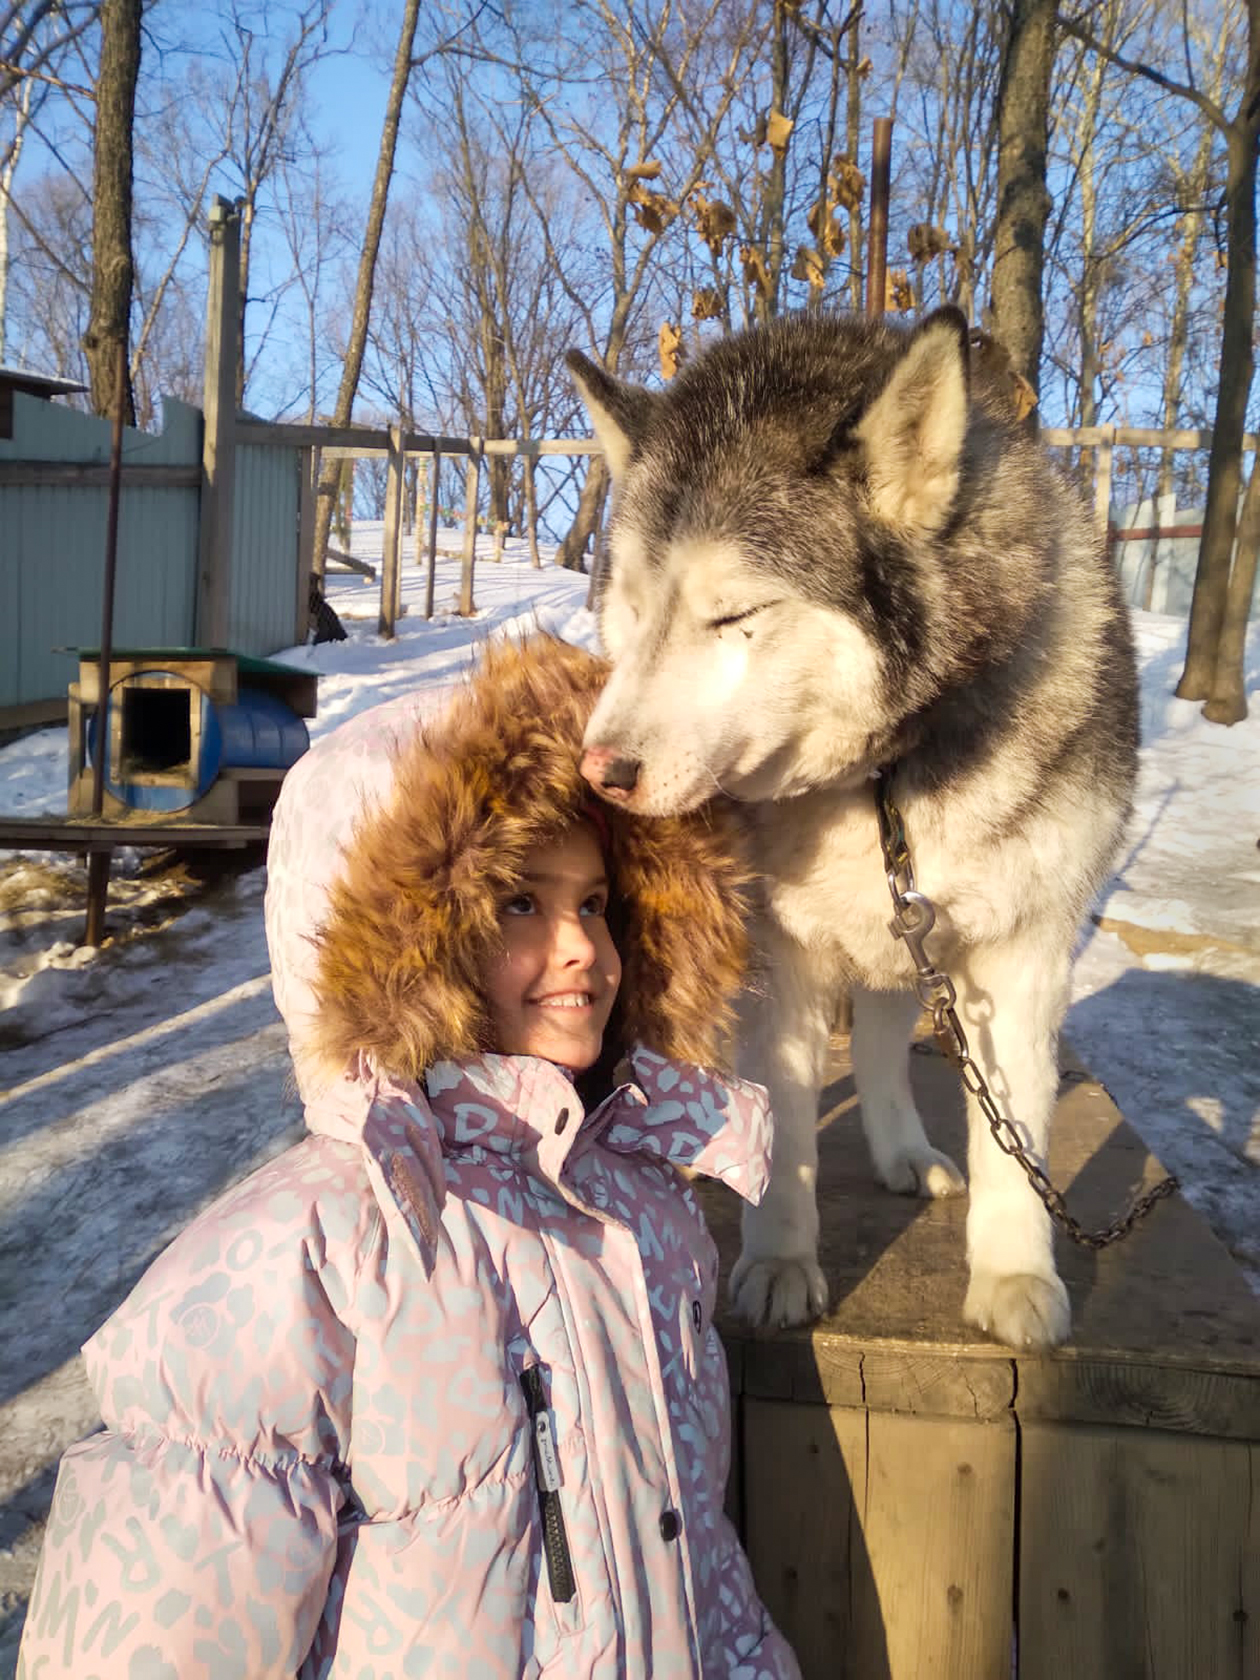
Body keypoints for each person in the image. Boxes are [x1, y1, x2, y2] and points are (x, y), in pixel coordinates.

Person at [19, 634, 801, 1679]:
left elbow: (698, 1570)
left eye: (597, 905)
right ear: (407, 939)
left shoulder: (646, 1216)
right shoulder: (301, 1256)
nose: (580, 947)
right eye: (520, 903)